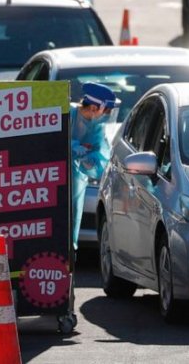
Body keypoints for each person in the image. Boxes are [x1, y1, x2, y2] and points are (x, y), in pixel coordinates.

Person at [70, 82, 118, 251]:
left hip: (76, 183)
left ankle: (68, 259)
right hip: (53, 178)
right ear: (92, 107)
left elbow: (101, 155)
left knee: (71, 221)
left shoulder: (96, 127)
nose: (106, 116)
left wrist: (89, 158)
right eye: (105, 111)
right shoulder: (67, 114)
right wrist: (73, 146)